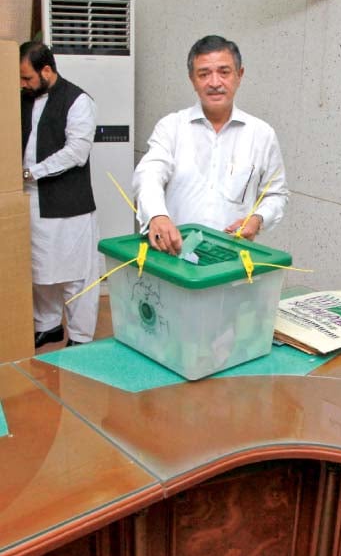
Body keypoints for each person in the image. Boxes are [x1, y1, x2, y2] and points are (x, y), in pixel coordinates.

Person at [133, 35, 288, 254]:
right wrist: (157, 215)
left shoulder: (262, 134)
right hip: (174, 256)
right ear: (192, 79)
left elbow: (276, 194)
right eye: (204, 74)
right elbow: (148, 175)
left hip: (231, 258)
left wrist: (258, 219)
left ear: (239, 75)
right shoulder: (171, 127)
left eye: (224, 72)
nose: (215, 83)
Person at [20, 41, 100, 348]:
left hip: (69, 203)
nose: (23, 84)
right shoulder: (24, 98)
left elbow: (77, 152)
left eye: (27, 78)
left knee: (77, 273)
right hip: (31, 200)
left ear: (47, 70)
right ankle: (48, 325)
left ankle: (80, 337)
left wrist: (32, 172)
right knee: (40, 270)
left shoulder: (78, 100)